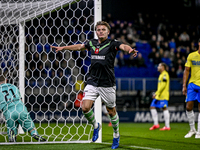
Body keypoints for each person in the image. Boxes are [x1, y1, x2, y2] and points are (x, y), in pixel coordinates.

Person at [51, 21, 138, 149]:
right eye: (98, 29)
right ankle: (96, 125)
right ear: (96, 32)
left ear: (108, 32)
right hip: (92, 81)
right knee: (85, 108)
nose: (100, 31)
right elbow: (80, 46)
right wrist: (64, 48)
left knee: (111, 111)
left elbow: (123, 46)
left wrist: (130, 49)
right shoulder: (92, 43)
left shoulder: (112, 43)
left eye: (103, 29)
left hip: (107, 83)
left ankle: (116, 134)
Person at [0, 69, 46, 142]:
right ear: (6, 79)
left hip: (9, 110)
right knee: (29, 124)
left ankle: (12, 136)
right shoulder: (13, 86)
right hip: (20, 108)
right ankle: (34, 133)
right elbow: (21, 99)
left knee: (11, 127)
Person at [182, 39, 200, 138]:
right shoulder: (191, 55)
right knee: (188, 107)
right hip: (192, 85)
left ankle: (199, 132)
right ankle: (192, 129)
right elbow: (186, 70)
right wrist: (184, 85)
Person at [149, 62, 170, 131]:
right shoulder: (161, 75)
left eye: (159, 66)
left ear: (163, 67)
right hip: (159, 95)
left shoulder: (165, 74)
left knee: (164, 108)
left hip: (163, 95)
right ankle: (156, 124)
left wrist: (156, 93)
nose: (158, 67)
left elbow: (163, 85)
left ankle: (167, 126)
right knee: (152, 106)